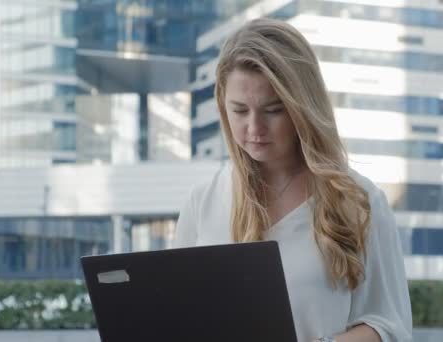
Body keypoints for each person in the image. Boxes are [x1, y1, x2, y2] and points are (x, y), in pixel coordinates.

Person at [174, 18, 412, 342]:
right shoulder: (203, 202)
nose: (254, 128)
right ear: (222, 104)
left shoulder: (360, 201)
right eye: (239, 110)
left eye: (273, 110)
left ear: (303, 107)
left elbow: (390, 327)